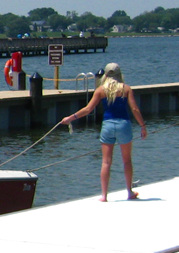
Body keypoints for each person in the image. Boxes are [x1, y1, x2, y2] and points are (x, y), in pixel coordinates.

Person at [59, 62, 147, 202]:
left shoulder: (100, 90)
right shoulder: (126, 89)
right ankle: (129, 192)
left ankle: (104, 195)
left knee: (106, 162)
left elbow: (88, 109)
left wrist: (70, 118)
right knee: (126, 160)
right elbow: (135, 109)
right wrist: (142, 126)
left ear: (105, 75)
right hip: (123, 125)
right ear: (119, 75)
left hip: (107, 126)